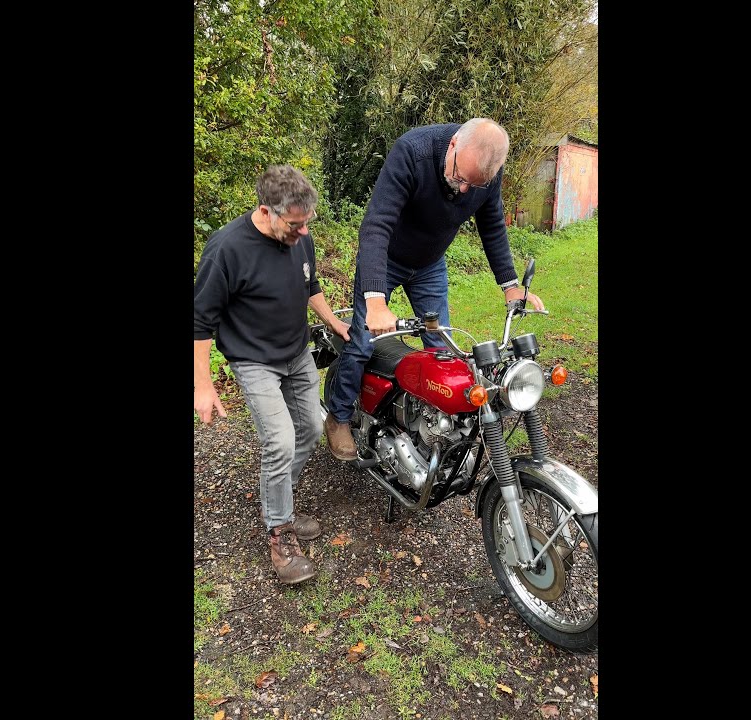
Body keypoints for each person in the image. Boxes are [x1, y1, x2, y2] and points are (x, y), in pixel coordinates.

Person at [322, 118, 545, 459]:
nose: (464, 189)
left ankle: (431, 430)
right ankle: (338, 417)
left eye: (475, 184)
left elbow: (492, 226)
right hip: (386, 261)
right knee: (364, 340)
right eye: (460, 177)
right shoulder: (413, 151)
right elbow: (376, 227)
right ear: (454, 144)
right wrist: (376, 301)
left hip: (429, 265)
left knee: (442, 348)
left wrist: (511, 287)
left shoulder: (485, 169)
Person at [194, 165, 351, 585]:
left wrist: (333, 321)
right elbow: (199, 322)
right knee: (279, 440)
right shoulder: (226, 249)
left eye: (306, 224)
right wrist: (203, 385)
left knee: (311, 431)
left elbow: (310, 284)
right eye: (294, 225)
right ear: (266, 210)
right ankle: (279, 532)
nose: (302, 233)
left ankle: (277, 501)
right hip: (254, 361)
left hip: (296, 353)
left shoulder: (301, 238)